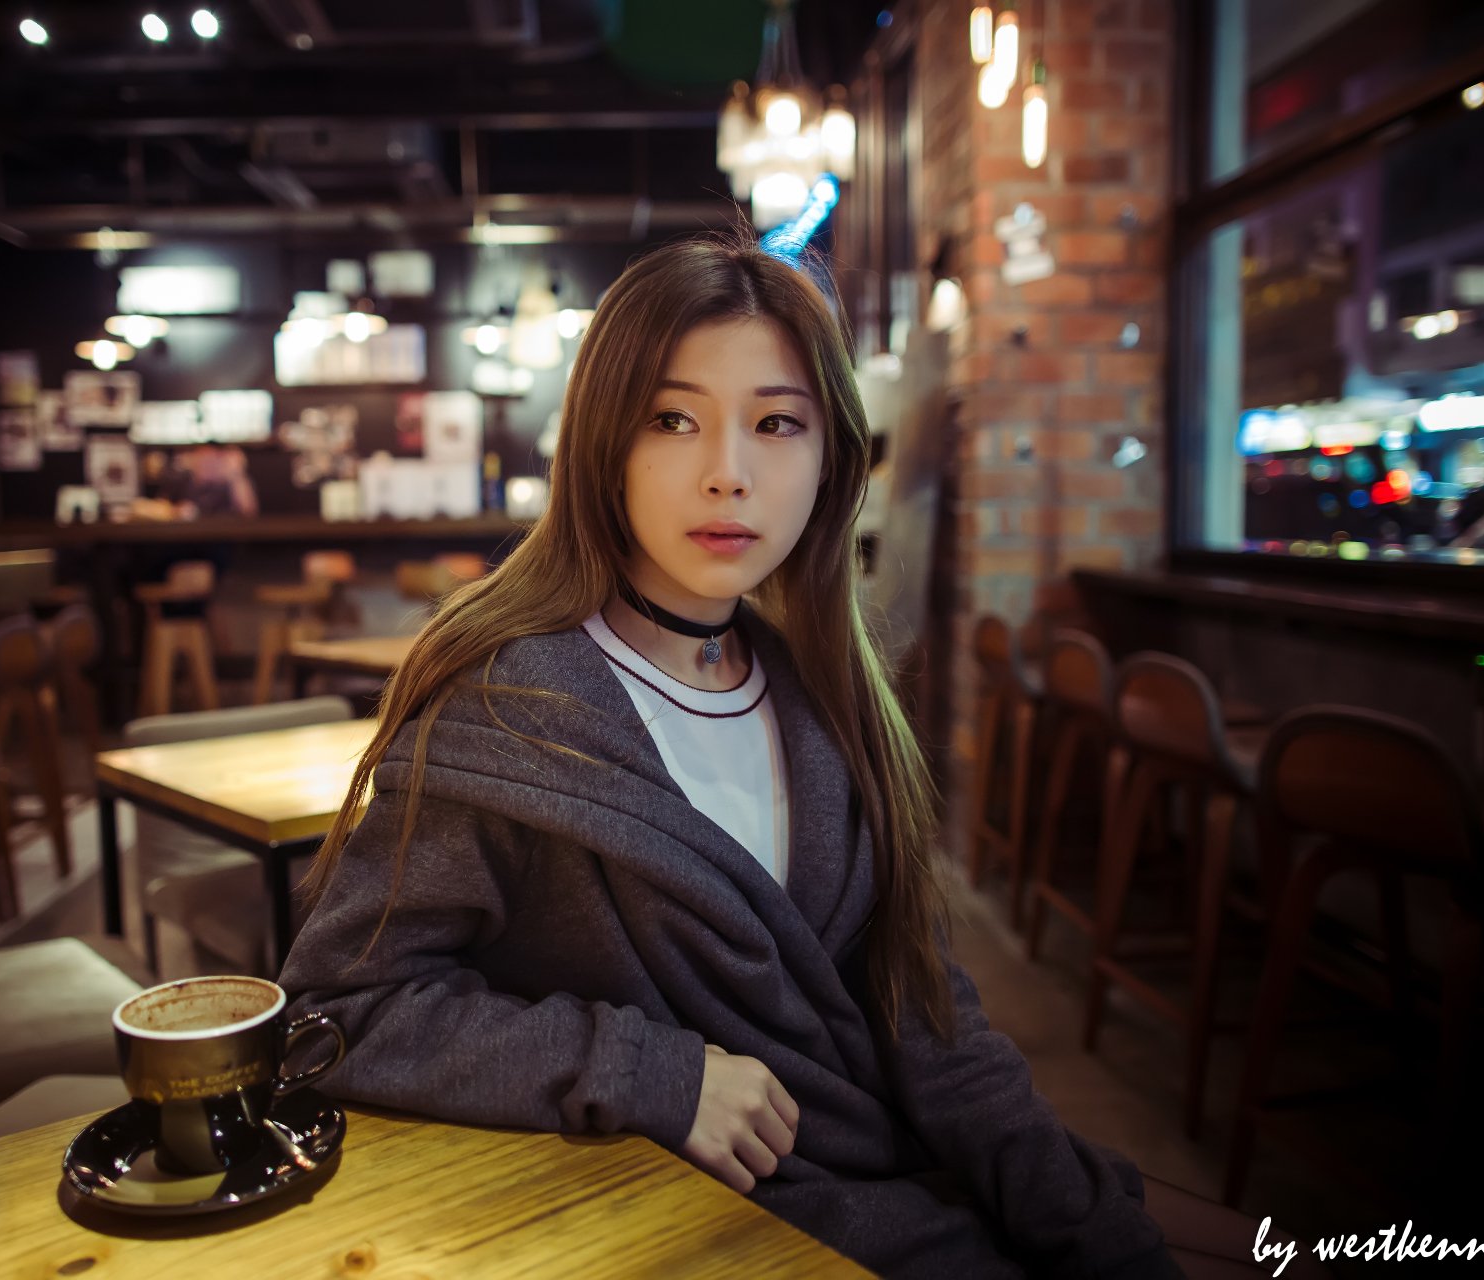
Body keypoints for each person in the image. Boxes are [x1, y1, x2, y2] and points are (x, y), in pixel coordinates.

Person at [280, 238, 1307, 1279]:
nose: (728, 472)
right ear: (602, 446)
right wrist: (646, 1070)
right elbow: (338, 1009)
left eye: (777, 423)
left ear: (830, 461)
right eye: (671, 419)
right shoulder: (511, 706)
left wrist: (1084, 1225)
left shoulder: (828, 691)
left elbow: (928, 1015)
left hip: (905, 1171)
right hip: (721, 1231)